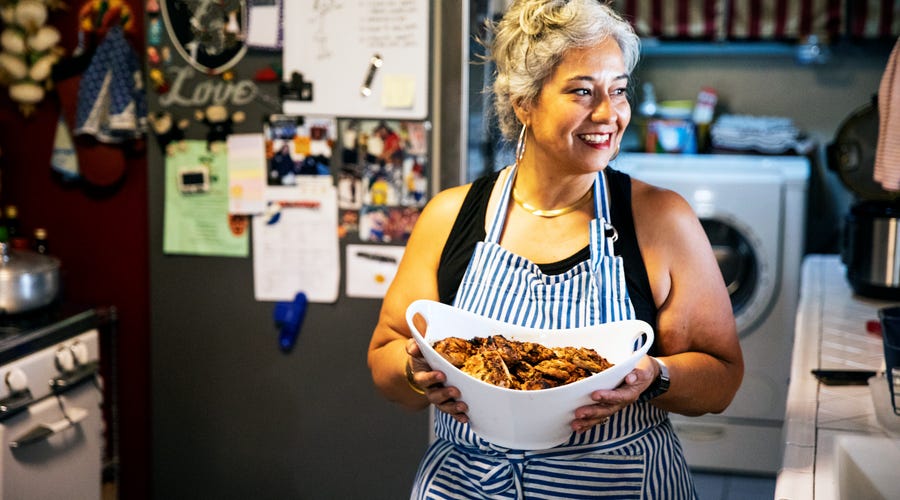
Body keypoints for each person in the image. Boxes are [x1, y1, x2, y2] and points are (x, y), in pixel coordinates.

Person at [367, 1, 743, 498]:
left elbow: (722, 378)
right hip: (465, 486)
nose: (609, 114)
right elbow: (385, 358)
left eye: (619, 91)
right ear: (524, 101)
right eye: (583, 92)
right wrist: (416, 372)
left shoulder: (660, 220)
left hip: (618, 486)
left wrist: (654, 375)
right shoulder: (450, 217)